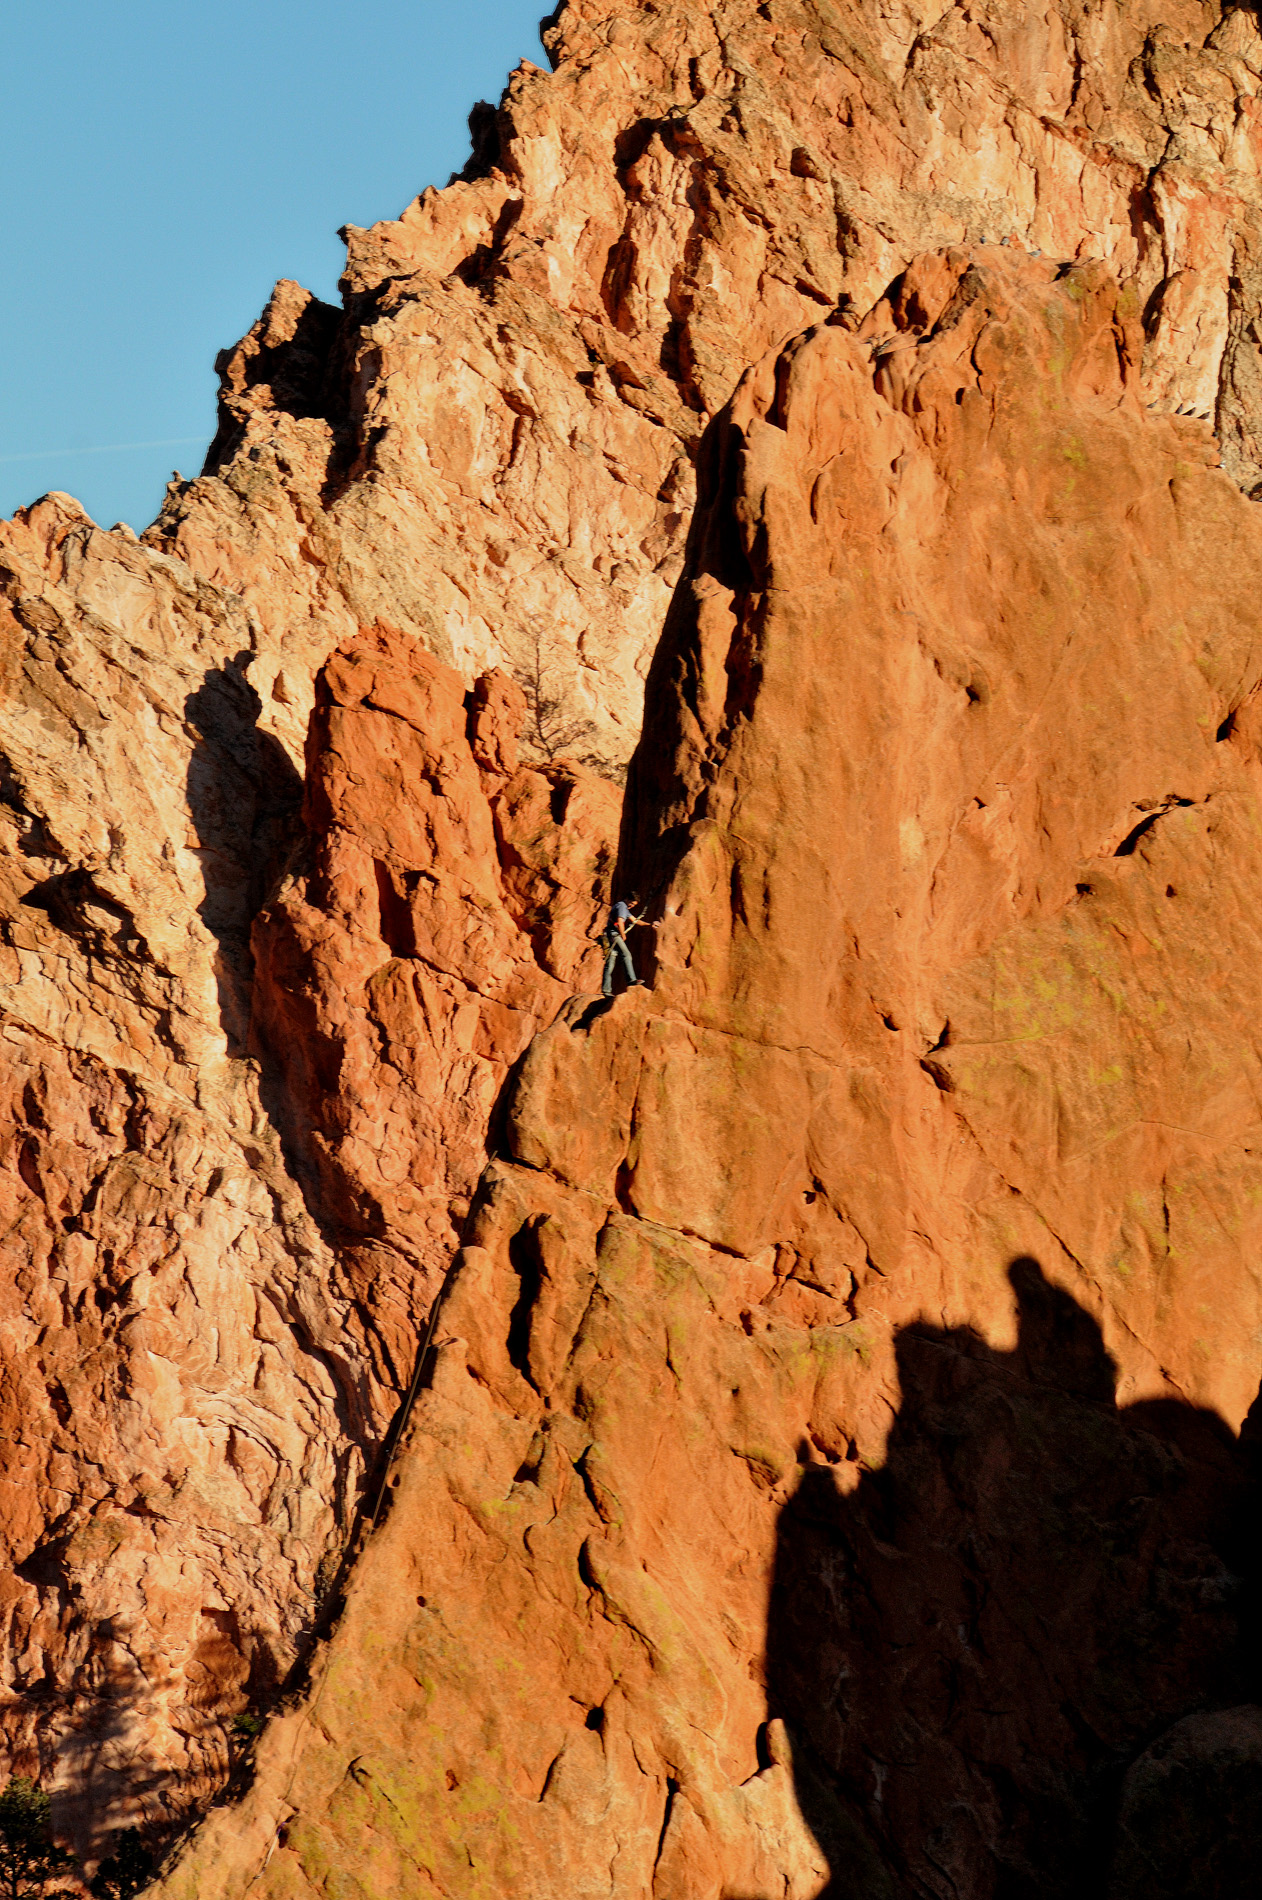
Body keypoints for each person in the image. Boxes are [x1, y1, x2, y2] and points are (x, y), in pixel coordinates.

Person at [601, 891, 646, 996]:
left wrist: (649, 924)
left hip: (610, 935)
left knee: (610, 963)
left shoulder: (624, 908)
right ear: (628, 899)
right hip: (614, 935)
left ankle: (606, 990)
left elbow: (635, 921)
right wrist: (623, 934)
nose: (632, 906)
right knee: (626, 955)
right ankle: (631, 980)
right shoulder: (622, 906)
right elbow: (620, 921)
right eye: (632, 903)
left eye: (634, 905)